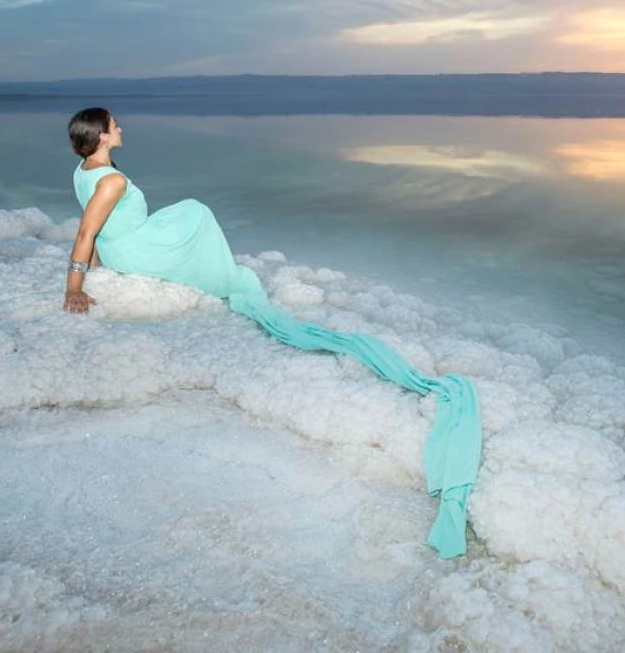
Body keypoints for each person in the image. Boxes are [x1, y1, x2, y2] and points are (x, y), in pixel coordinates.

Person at [62, 107, 480, 558]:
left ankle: (210, 269)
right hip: (138, 252)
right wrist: (77, 288)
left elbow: (96, 227)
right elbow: (87, 232)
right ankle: (217, 277)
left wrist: (106, 263)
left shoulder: (84, 170)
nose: (122, 127)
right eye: (115, 124)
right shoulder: (113, 181)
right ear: (102, 136)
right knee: (198, 215)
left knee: (189, 209)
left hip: (123, 246)